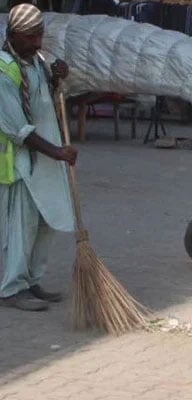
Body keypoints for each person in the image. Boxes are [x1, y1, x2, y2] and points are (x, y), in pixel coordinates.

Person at [0, 4, 77, 312]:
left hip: (46, 159)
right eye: (29, 37)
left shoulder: (36, 62)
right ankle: (12, 287)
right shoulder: (4, 70)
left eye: (39, 35)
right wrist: (58, 152)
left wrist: (58, 78)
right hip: (21, 162)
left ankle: (33, 280)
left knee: (46, 220)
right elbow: (18, 129)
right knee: (23, 225)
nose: (36, 43)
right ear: (12, 35)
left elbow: (46, 102)